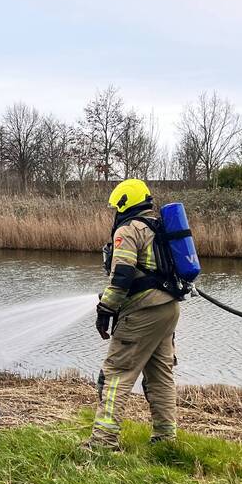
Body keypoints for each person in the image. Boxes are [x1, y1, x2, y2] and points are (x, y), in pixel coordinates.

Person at [88, 179, 181, 450]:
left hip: (142, 311)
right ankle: (165, 439)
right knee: (160, 376)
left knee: (116, 373)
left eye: (116, 207)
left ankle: (103, 442)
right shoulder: (159, 227)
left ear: (124, 204)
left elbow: (122, 275)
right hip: (168, 309)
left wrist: (106, 308)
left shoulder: (128, 230)